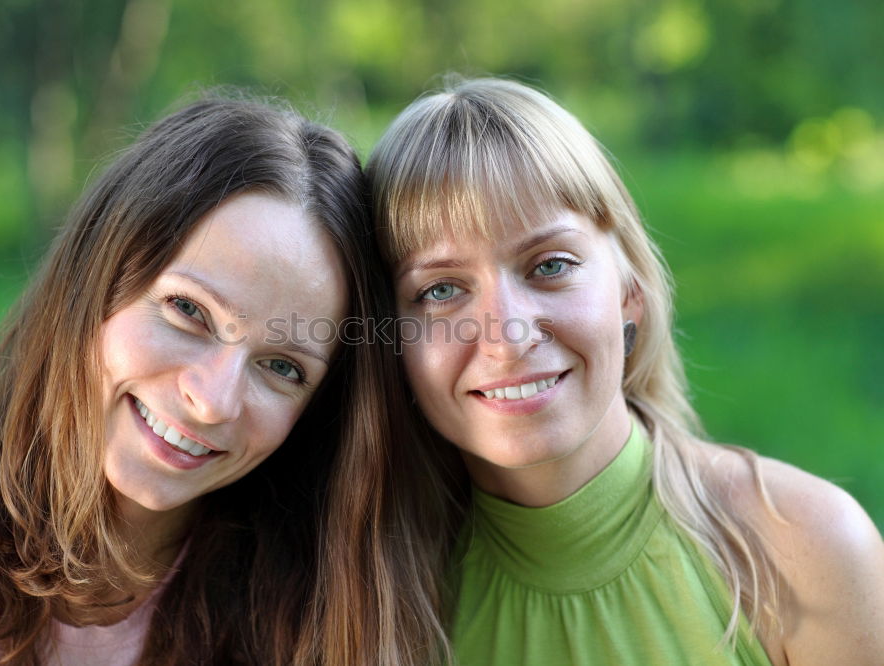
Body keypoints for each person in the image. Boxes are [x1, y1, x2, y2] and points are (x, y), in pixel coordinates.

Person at [0, 93, 447, 665]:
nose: (212, 401)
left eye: (282, 367)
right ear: (95, 277)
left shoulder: (327, 611)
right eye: (189, 310)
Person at [367, 77, 884, 665]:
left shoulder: (805, 553)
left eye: (550, 265)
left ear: (628, 295)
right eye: (439, 289)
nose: (508, 337)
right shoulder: (373, 597)